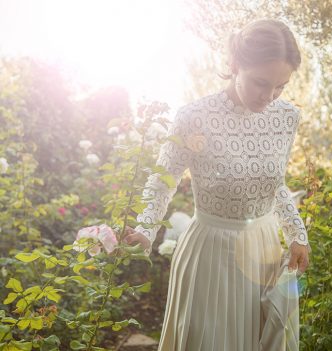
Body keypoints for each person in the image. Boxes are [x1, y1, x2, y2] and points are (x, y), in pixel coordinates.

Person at [124, 18, 312, 351]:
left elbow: (274, 182)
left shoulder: (286, 117)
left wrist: (297, 234)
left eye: (280, 85)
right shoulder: (193, 117)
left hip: (264, 250)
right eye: (260, 82)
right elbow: (162, 181)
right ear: (234, 64)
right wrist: (146, 229)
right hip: (210, 254)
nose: (270, 95)